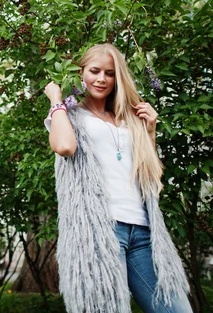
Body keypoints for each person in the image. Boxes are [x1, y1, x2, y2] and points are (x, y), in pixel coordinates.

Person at [43, 44, 192, 313]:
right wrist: (56, 99)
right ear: (81, 73)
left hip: (145, 233)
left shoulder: (129, 119)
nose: (101, 79)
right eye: (94, 71)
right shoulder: (70, 115)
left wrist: (150, 131)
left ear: (118, 77)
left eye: (109, 73)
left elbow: (152, 176)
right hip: (101, 232)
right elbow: (65, 147)